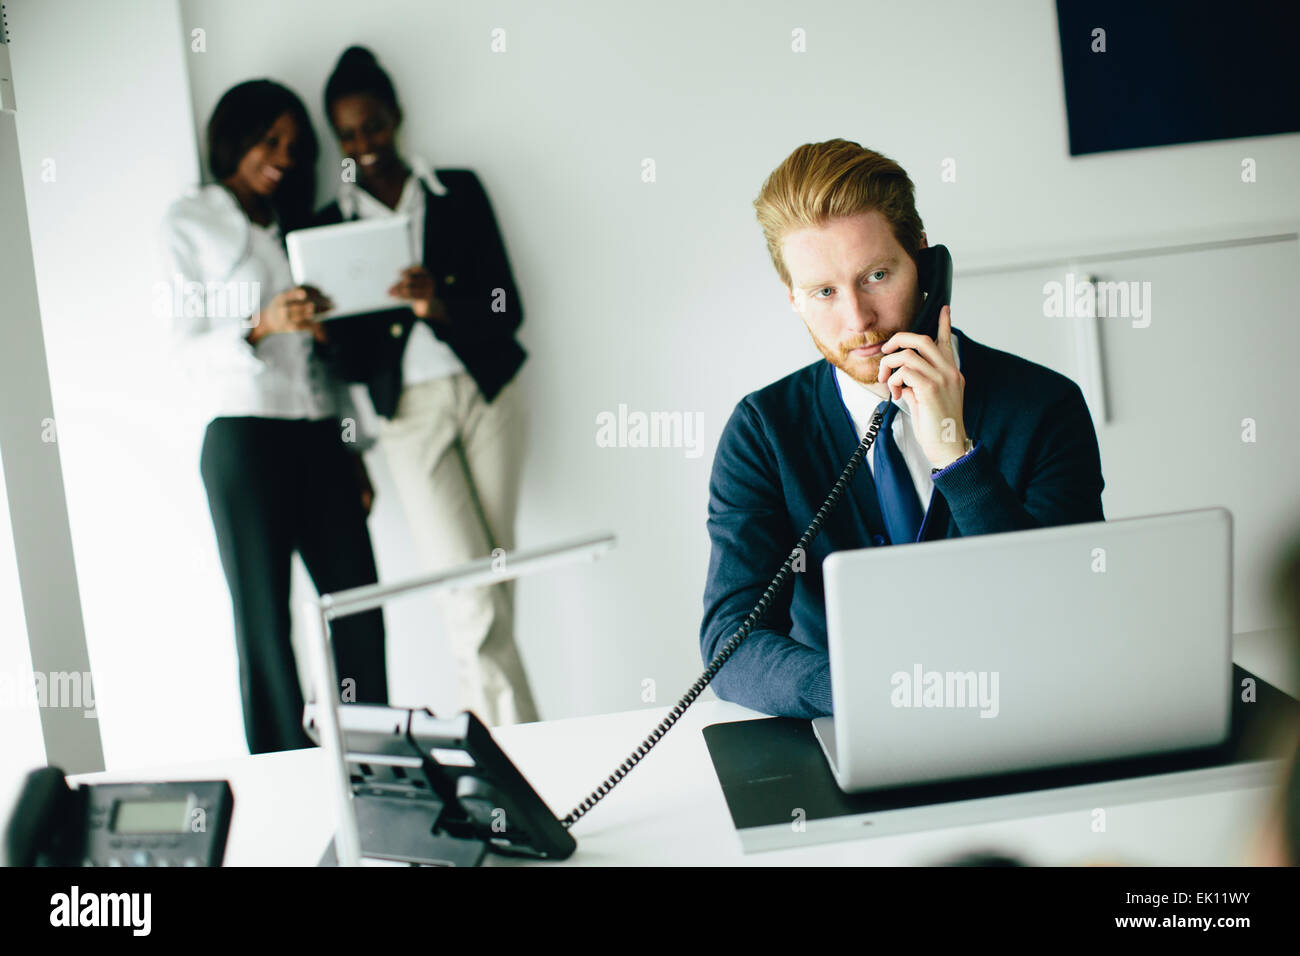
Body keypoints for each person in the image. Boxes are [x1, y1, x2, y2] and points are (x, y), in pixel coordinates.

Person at [700, 139, 1105, 718]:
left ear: (925, 262)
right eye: (824, 292)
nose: (858, 320)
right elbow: (729, 646)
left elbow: (1065, 613)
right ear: (793, 297)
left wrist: (956, 457)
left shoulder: (1045, 405)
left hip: (1027, 707)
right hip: (850, 718)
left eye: (877, 275)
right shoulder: (763, 431)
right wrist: (875, 697)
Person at [160, 79, 388, 754]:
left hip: (319, 435)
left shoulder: (300, 225)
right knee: (264, 625)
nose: (284, 157)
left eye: (294, 146)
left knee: (358, 611)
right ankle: (285, 784)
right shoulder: (188, 221)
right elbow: (180, 349)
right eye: (270, 141)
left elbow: (323, 366)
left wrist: (354, 447)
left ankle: (374, 769)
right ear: (235, 138)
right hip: (243, 437)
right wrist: (258, 326)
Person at [313, 47, 538, 725]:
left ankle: (490, 752)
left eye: (373, 126)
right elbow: (352, 365)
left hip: (489, 397)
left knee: (490, 581)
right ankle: (516, 748)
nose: (364, 145)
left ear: (396, 118)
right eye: (348, 135)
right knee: (466, 589)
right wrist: (328, 334)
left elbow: (509, 307)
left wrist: (437, 301)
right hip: (405, 415)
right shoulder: (330, 225)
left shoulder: (457, 192)